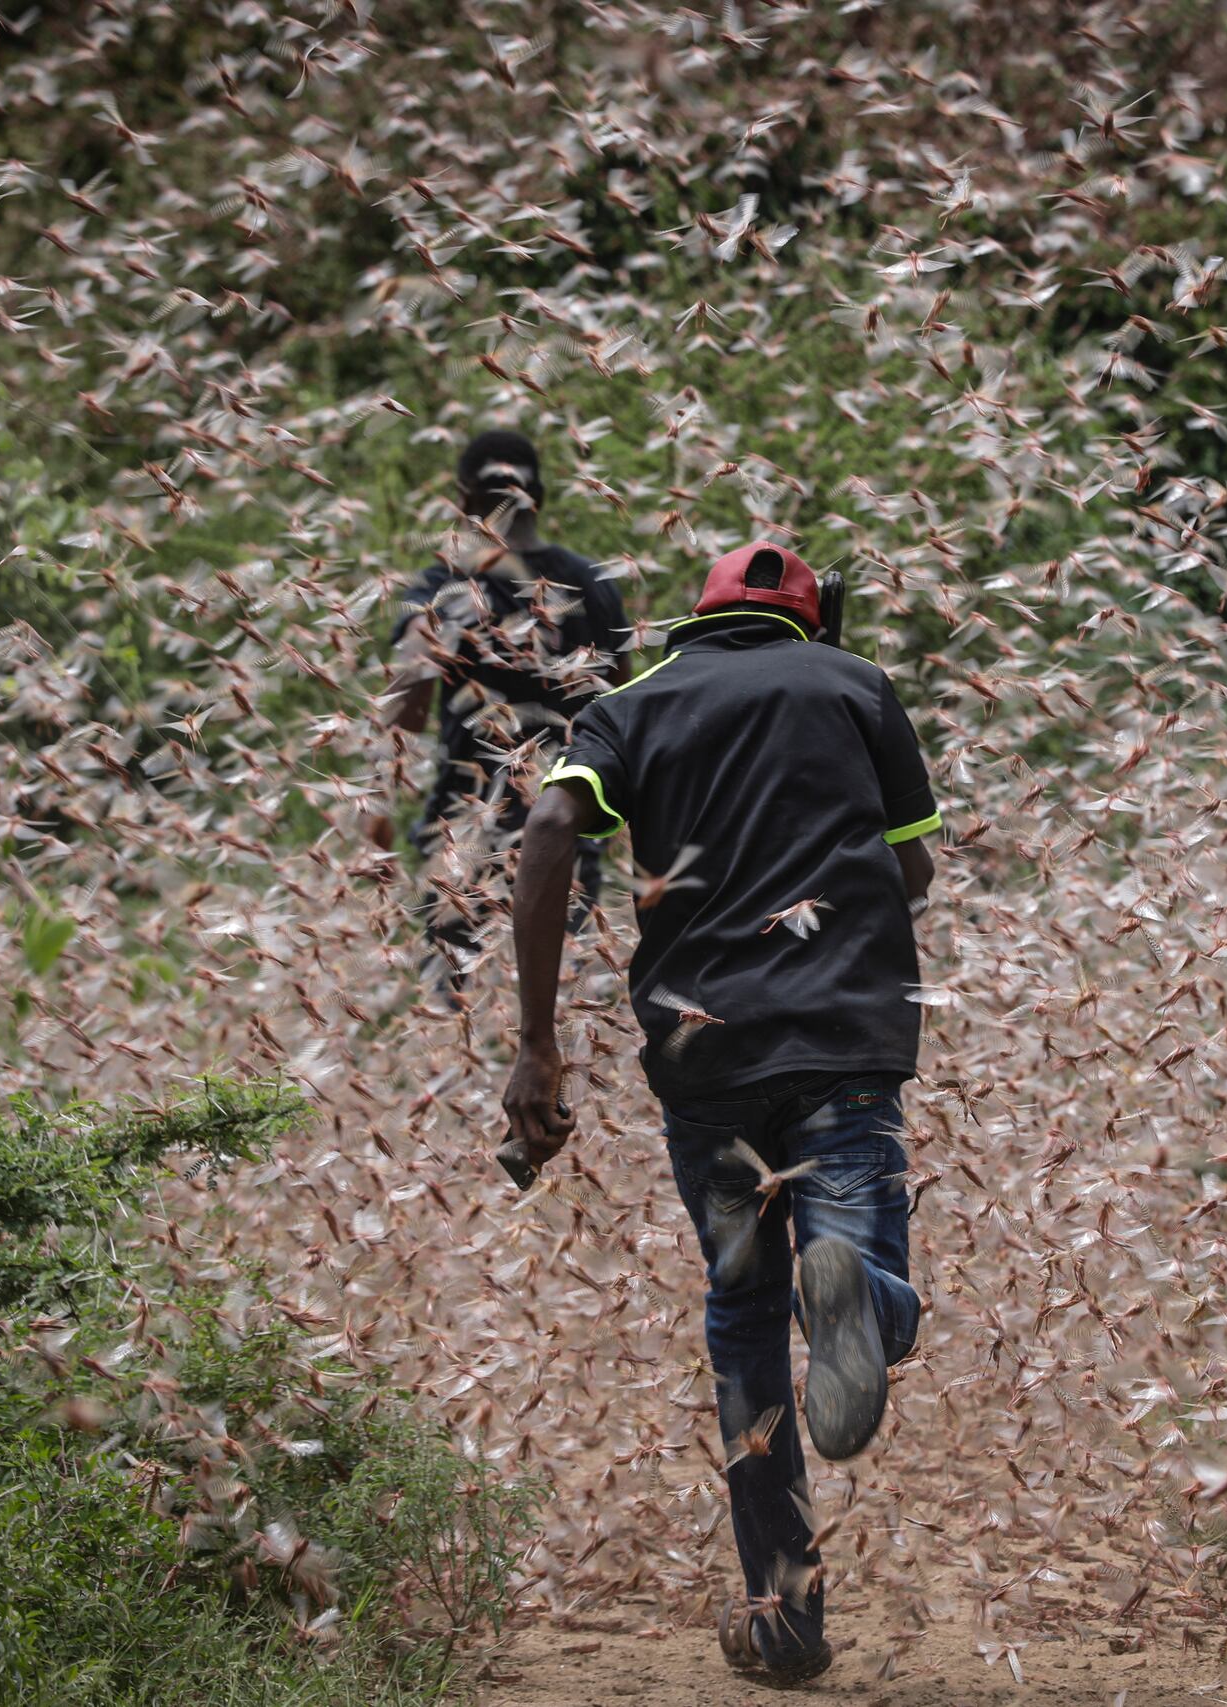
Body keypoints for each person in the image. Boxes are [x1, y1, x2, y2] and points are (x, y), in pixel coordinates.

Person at [498, 541, 943, 1686]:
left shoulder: (632, 706)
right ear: (807, 617)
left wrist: (538, 1046)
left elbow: (548, 835)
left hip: (707, 1061)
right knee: (855, 1257)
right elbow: (913, 873)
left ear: (695, 620)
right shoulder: (853, 686)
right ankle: (859, 1296)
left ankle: (785, 1617)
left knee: (742, 1316)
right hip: (845, 1040)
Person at [375, 430, 627, 985]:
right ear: (541, 496)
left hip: (463, 835)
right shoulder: (595, 585)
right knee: (558, 1000)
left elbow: (404, 719)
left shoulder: (446, 587)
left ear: (463, 499)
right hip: (567, 825)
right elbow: (623, 713)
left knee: (457, 1011)